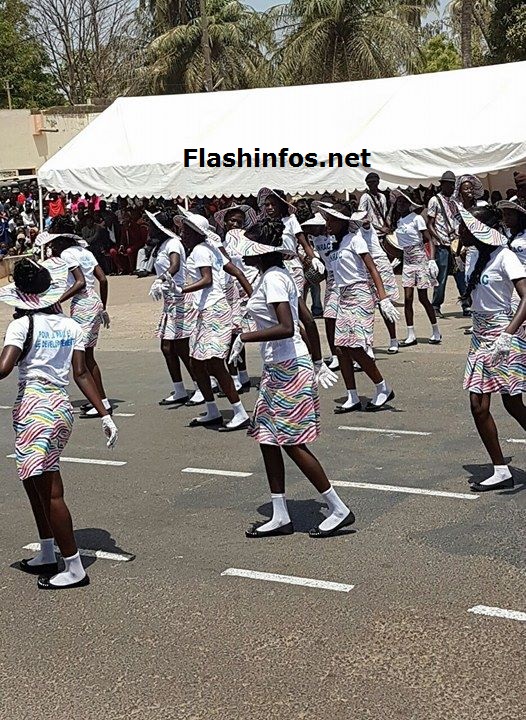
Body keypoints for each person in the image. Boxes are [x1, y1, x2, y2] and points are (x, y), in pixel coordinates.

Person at [228, 218, 354, 538]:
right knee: (268, 440)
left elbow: (288, 326)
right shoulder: (275, 275)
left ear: (260, 252)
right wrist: (317, 361)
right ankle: (280, 513)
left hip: (287, 368)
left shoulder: (273, 278)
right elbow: (308, 318)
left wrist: (245, 338)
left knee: (292, 443)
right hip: (281, 366)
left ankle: (338, 508)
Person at [0, 257, 118, 589]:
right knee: (33, 479)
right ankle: (48, 551)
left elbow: (5, 367)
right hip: (60, 405)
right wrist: (105, 414)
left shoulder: (22, 326)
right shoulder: (70, 326)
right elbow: (80, 373)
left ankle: (73, 567)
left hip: (34, 408)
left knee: (51, 490)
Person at [458, 205, 526, 492]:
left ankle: (502, 470)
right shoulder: (475, 256)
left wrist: (507, 336)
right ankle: (500, 470)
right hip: (479, 336)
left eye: (466, 226)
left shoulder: (505, 257)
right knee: (478, 406)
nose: (460, 231)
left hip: (503, 335)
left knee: (512, 403)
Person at [176, 207, 252, 431]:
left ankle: (239, 413)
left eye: (186, 231)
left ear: (195, 233)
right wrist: (253, 296)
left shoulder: (200, 250)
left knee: (215, 363)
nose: (182, 235)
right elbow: (236, 271)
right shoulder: (210, 248)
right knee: (197, 361)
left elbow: (207, 280)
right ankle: (212, 409)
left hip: (213, 310)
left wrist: (181, 289)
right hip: (207, 309)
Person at [319, 204, 399, 412]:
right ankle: (352, 395)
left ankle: (382, 387)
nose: (328, 224)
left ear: (343, 223)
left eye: (332, 220)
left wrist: (383, 298)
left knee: (354, 345)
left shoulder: (355, 240)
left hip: (361, 293)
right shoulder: (335, 245)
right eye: (327, 220)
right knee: (341, 348)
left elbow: (372, 268)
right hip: (343, 294)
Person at [36, 231, 112, 418]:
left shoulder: (67, 254)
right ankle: (99, 400)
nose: (53, 247)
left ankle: (102, 403)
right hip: (94, 302)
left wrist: (58, 300)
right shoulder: (86, 252)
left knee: (81, 356)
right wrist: (103, 306)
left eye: (55, 243)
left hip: (82, 304)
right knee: (88, 355)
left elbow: (80, 282)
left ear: (62, 241)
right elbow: (102, 279)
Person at [146, 210, 200, 406]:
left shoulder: (173, 243)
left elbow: (175, 265)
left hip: (181, 298)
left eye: (152, 225)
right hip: (170, 300)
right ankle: (179, 389)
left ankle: (200, 386)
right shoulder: (161, 246)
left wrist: (160, 279)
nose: (149, 229)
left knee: (181, 347)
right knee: (167, 347)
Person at [214, 204, 258, 394]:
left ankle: (237, 377)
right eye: (232, 221)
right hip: (230, 293)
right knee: (234, 336)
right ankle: (240, 376)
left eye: (239, 222)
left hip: (247, 291)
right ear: (225, 222)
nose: (235, 224)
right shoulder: (222, 241)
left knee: (240, 336)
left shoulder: (247, 241)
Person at [392, 190, 441, 347]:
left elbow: (429, 239)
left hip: (420, 258)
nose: (400, 205)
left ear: (409, 205)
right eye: (398, 203)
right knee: (407, 298)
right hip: (407, 260)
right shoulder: (398, 221)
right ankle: (410, 333)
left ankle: (436, 331)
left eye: (403, 203)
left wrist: (432, 260)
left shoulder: (417, 218)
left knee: (423, 298)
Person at [301, 212, 340, 370]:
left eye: (312, 227)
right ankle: (336, 355)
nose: (310, 230)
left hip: (343, 278)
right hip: (331, 278)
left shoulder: (336, 236)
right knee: (329, 318)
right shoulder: (314, 240)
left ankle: (359, 351)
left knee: (347, 319)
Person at [426, 171, 464, 318]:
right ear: (442, 184)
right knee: (441, 277)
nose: (451, 187)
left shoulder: (455, 201)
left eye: (453, 184)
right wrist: (438, 238)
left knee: (460, 275)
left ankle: (466, 304)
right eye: (448, 184)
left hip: (455, 243)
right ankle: (436, 305)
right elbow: (430, 224)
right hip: (442, 244)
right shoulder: (434, 200)